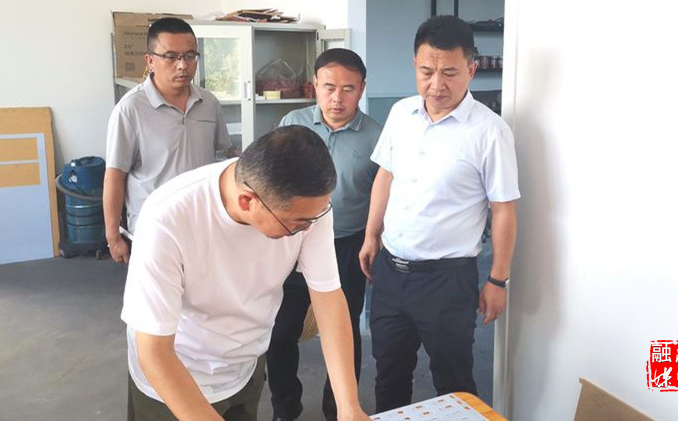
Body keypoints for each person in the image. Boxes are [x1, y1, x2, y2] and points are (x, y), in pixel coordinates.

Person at [121, 125, 370, 421]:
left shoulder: (308, 208)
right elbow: (154, 352)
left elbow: (328, 298)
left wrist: (349, 406)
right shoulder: (167, 219)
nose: (307, 227)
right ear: (247, 201)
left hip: (245, 368)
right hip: (175, 380)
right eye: (297, 224)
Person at [358, 15, 520, 412]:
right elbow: (386, 176)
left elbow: (503, 209)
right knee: (389, 373)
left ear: (471, 70)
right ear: (415, 64)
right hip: (391, 272)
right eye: (427, 72)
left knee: (453, 381)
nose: (436, 85)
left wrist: (498, 279)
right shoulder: (401, 113)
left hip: (447, 280)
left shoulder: (490, 131)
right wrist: (371, 234)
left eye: (449, 73)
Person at [266, 49, 382, 421]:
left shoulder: (377, 136)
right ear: (315, 85)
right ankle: (286, 408)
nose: (337, 98)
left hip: (347, 245)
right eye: (329, 87)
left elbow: (383, 196)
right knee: (280, 331)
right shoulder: (292, 123)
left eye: (348, 88)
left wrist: (374, 239)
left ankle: (340, 410)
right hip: (294, 240)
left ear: (362, 89)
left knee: (344, 331)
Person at [103, 17, 231, 264]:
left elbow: (222, 159)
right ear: (150, 60)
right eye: (171, 56)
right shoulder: (130, 109)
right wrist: (113, 236)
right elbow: (115, 176)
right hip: (154, 229)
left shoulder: (209, 103)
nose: (182, 65)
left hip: (203, 224)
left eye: (190, 56)